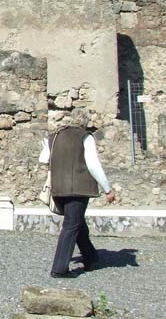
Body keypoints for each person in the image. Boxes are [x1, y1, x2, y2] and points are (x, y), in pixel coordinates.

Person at [39, 119, 115, 278]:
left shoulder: (52, 138)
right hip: (78, 188)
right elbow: (93, 164)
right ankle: (59, 269)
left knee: (77, 223)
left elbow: (43, 159)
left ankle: (91, 258)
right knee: (71, 226)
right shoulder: (85, 137)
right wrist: (107, 189)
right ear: (82, 123)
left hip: (58, 188)